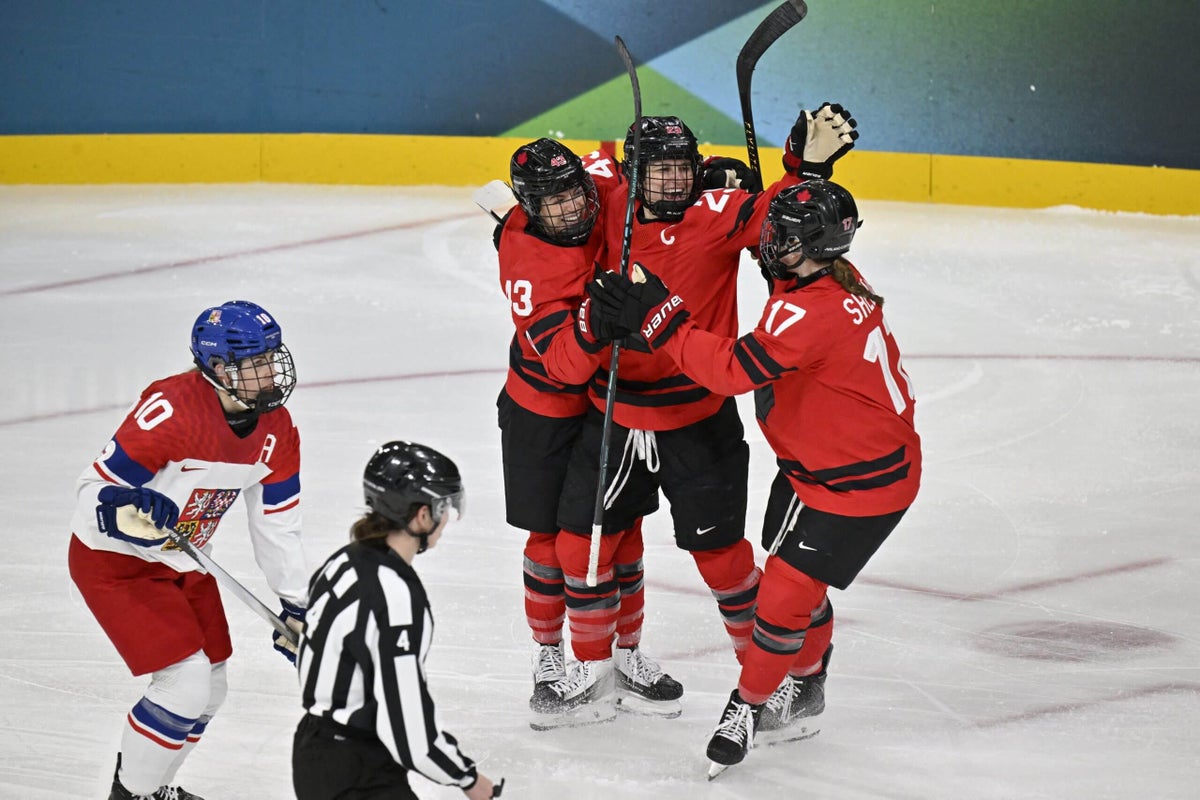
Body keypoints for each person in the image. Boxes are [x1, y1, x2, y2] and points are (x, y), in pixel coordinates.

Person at [584, 180, 922, 777]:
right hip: (813, 469)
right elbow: (784, 309)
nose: (768, 243)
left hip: (856, 486)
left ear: (817, 244)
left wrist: (662, 318)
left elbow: (731, 372)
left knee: (782, 601)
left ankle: (747, 704)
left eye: (783, 238)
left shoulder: (810, 310)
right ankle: (807, 681)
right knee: (797, 590)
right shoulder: (830, 278)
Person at [550, 105, 860, 715]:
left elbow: (789, 216)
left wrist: (808, 165)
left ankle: (781, 683)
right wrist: (514, 214)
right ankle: (596, 669)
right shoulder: (606, 196)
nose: (672, 184)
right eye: (656, 172)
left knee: (726, 563)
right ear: (632, 173)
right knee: (583, 550)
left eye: (681, 170)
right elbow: (564, 184)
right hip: (613, 413)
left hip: (698, 419)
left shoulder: (717, 213)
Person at [68, 300, 307, 800]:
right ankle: (129, 797)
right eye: (255, 363)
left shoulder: (278, 431)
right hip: (115, 563)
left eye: (272, 358)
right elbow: (94, 493)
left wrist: (297, 605)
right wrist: (125, 507)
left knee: (212, 687)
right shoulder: (172, 411)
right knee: (185, 682)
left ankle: (153, 789)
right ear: (219, 369)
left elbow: (278, 525)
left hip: (184, 561)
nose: (270, 372)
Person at [494, 137, 682, 727]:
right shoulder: (527, 260)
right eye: (553, 203)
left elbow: (618, 162)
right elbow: (562, 366)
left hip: (609, 402)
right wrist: (593, 323)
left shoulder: (595, 189)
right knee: (552, 541)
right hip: (544, 411)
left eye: (574, 192)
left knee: (621, 532)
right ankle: (550, 655)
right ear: (530, 207)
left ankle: (624, 654)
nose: (573, 209)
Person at [292, 441, 499, 799]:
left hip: (314, 750)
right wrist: (467, 778)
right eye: (443, 507)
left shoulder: (340, 562)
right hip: (357, 772)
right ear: (421, 515)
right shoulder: (395, 595)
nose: (446, 518)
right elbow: (407, 725)